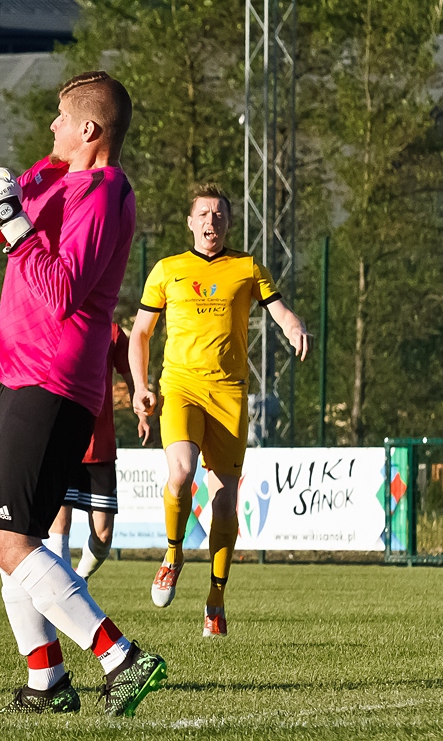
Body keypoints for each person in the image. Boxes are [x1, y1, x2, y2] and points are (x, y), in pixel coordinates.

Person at [0, 71, 166, 717]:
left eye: (61, 117)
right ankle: (48, 683)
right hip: (23, 373)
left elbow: (61, 290)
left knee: (7, 540)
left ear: (89, 129)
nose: (52, 127)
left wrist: (13, 221)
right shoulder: (51, 174)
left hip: (55, 378)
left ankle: (122, 656)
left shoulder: (106, 190)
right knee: (10, 538)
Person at [128, 181, 310, 638]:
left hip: (229, 393)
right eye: (204, 214)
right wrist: (139, 386)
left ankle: (215, 599)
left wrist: (292, 324)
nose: (212, 221)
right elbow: (141, 334)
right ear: (190, 222)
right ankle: (172, 554)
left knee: (226, 504)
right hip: (182, 387)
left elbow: (279, 309)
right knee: (182, 471)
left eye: (219, 214)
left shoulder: (247, 268)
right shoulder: (167, 270)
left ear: (229, 222)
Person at [44, 322, 133, 580]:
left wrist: (142, 413)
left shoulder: (113, 331)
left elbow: (131, 376)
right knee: (59, 524)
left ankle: (78, 580)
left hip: (100, 447)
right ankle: (63, 593)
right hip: (62, 442)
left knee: (103, 536)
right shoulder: (57, 324)